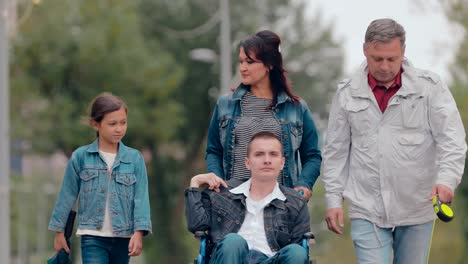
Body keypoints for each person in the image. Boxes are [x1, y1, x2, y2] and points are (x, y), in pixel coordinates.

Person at [322, 18, 467, 264]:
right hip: (366, 206)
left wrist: (446, 181)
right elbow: (336, 151)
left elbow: (452, 140)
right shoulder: (346, 94)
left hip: (417, 206)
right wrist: (333, 200)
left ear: (403, 52)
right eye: (378, 58)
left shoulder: (430, 88)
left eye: (392, 58)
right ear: (365, 49)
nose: (385, 66)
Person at [205, 30, 322, 200]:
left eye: (250, 62)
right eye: (241, 61)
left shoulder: (296, 108)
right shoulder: (226, 104)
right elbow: (213, 151)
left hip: (280, 204)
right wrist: (217, 182)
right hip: (233, 202)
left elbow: (312, 156)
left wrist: (304, 185)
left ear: (269, 65)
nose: (243, 68)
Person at [48, 92, 152, 264]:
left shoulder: (135, 159)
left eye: (123, 123)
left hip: (124, 237)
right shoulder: (80, 157)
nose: (119, 129)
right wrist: (59, 232)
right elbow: (67, 196)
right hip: (92, 237)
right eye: (112, 124)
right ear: (96, 124)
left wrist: (139, 232)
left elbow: (141, 198)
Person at [186, 131, 310, 264]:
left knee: (296, 252)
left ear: (282, 162)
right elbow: (196, 226)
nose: (267, 160)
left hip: (271, 260)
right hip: (229, 257)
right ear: (247, 163)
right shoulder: (223, 192)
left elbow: (300, 250)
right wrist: (195, 183)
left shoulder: (296, 202)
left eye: (273, 154)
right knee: (234, 241)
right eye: (259, 154)